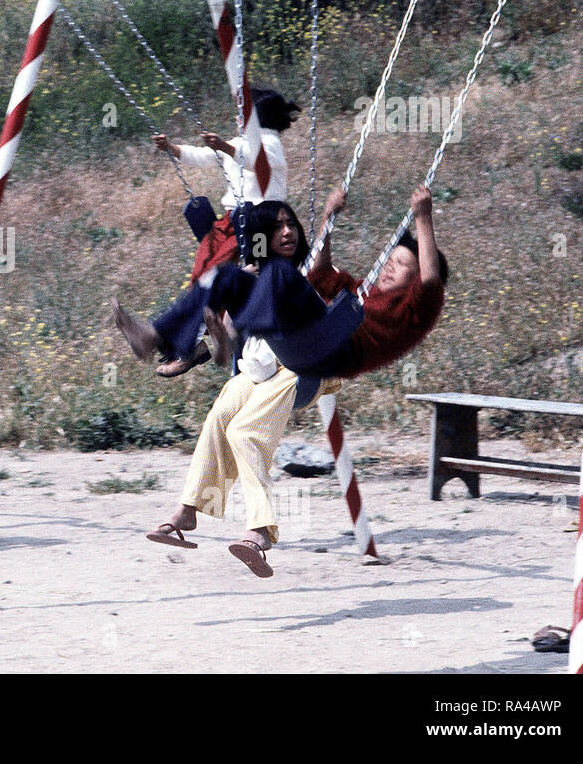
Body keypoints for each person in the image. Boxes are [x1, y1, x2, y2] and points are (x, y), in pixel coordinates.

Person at [142, 186, 448, 578]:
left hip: (322, 355)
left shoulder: (415, 308)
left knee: (246, 433)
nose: (390, 266)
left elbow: (431, 279)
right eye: (390, 258)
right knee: (222, 405)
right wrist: (329, 218)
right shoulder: (359, 290)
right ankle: (163, 339)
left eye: (402, 264)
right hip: (283, 353)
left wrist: (423, 217)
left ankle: (260, 531)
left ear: (416, 274)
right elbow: (320, 271)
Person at [111, 200, 309, 377]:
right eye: (278, 228)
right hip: (261, 355)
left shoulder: (298, 273)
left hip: (292, 342)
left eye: (291, 225)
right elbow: (224, 354)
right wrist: (221, 340)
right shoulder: (260, 260)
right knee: (221, 276)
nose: (286, 231)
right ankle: (183, 340)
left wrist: (328, 214)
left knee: (227, 275)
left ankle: (162, 339)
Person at [152, 86, 299, 284]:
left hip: (261, 221)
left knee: (239, 266)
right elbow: (202, 156)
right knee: (207, 260)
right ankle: (204, 306)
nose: (236, 117)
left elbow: (259, 164)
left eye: (241, 113)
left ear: (254, 119)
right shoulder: (239, 142)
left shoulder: (270, 142)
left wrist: (227, 148)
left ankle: (224, 302)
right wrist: (171, 147)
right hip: (232, 221)